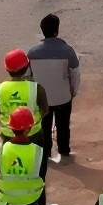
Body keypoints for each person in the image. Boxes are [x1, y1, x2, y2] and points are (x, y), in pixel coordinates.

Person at [29, 14, 82, 162]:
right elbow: (75, 74)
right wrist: (73, 92)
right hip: (63, 97)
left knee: (44, 127)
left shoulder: (32, 53)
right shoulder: (68, 51)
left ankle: (46, 153)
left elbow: (29, 77)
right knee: (63, 126)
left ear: (42, 31)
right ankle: (64, 151)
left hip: (42, 99)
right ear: (57, 31)